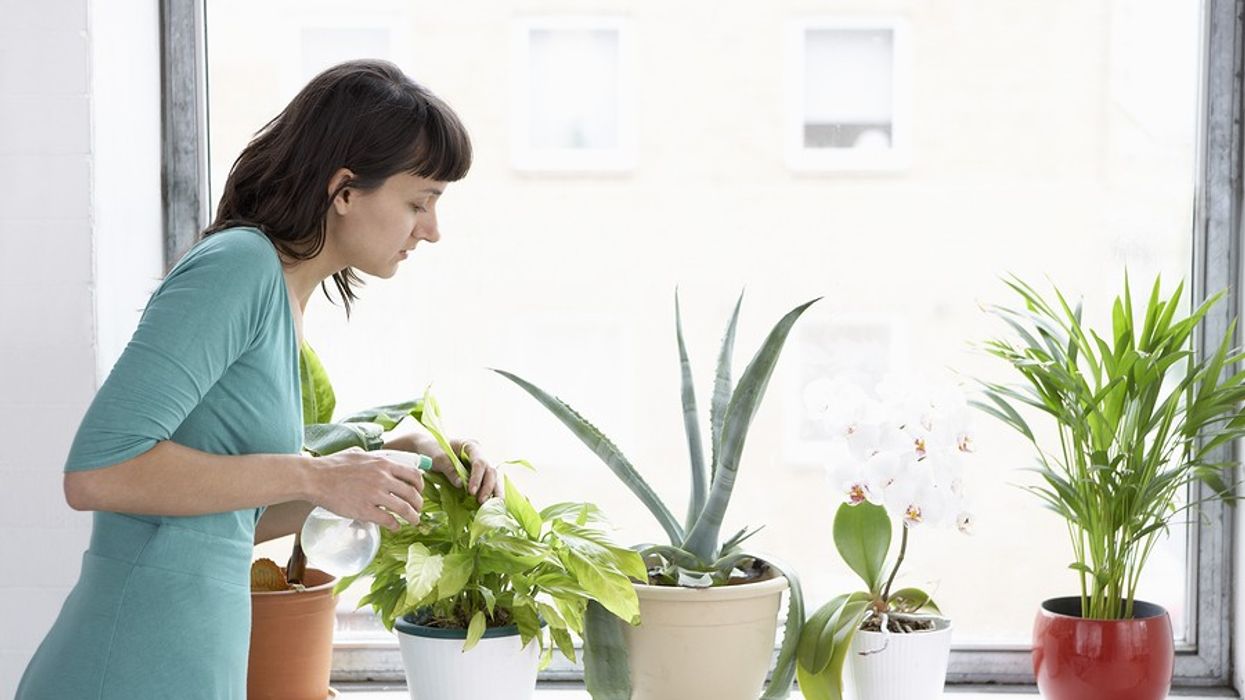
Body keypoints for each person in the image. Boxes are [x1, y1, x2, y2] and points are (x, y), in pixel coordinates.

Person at [15, 59, 500, 699]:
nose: (431, 231)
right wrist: (314, 473)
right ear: (345, 190)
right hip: (125, 662)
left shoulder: (282, 299)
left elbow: (228, 517)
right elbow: (98, 473)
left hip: (189, 663)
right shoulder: (239, 267)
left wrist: (394, 464)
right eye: (420, 202)